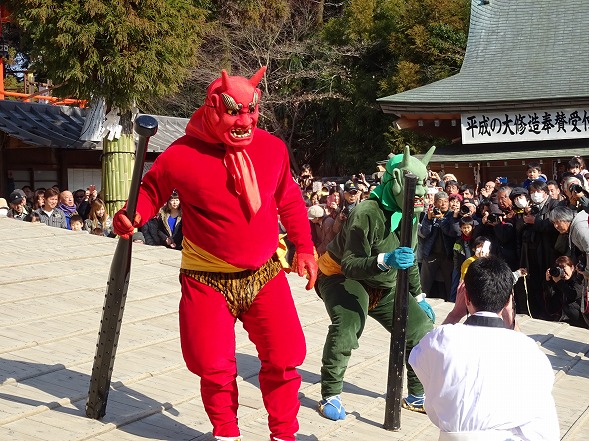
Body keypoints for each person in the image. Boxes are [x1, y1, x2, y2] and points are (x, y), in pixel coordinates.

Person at [111, 68, 316, 441]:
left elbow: (289, 199)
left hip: (264, 273)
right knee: (212, 364)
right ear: (211, 108)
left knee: (285, 357)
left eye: (251, 111)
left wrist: (304, 245)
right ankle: (226, 432)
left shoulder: (272, 149)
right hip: (206, 277)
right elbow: (151, 191)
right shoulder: (180, 154)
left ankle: (284, 434)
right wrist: (134, 213)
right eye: (234, 112)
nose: (244, 121)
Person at [315, 146, 436, 419]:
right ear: (395, 180)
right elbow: (351, 264)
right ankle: (330, 394)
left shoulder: (411, 214)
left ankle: (417, 394)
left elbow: (410, 261)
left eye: (424, 184)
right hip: (342, 276)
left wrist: (418, 297)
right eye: (413, 184)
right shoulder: (365, 213)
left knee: (420, 328)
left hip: (384, 283)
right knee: (349, 324)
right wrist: (386, 259)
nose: (420, 191)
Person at [409, 256, 559, 441]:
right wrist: (511, 320)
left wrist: (455, 314)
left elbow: (418, 358)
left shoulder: (443, 338)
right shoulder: (527, 350)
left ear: (467, 298)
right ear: (507, 302)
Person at [544, 255, 588, 327]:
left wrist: (559, 282)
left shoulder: (579, 278)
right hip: (569, 321)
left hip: (585, 318)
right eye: (560, 270)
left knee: (568, 304)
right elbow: (551, 309)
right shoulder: (561, 283)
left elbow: (574, 295)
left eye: (564, 269)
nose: (563, 273)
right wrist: (548, 283)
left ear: (572, 268)